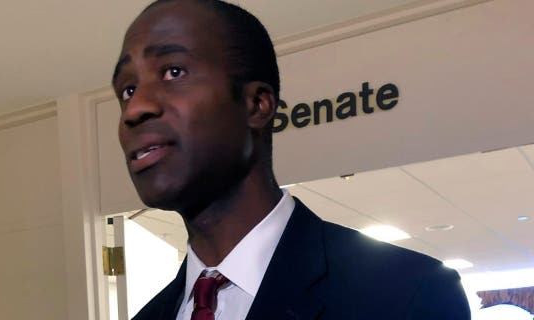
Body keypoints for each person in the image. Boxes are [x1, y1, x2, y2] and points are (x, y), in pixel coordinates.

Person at [112, 0, 471, 319]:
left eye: (174, 71)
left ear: (256, 105)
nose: (135, 108)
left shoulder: (407, 294)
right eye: (127, 90)